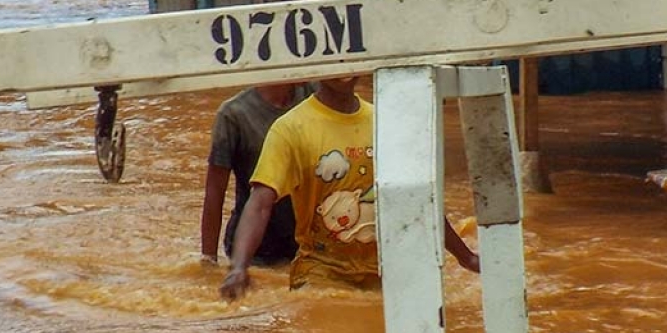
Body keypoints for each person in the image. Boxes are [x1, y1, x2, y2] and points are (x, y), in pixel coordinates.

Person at [219, 75, 478, 299]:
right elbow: (260, 203)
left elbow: (420, 199)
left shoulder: (384, 122)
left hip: (384, 272)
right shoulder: (290, 129)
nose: (344, 71)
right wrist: (239, 267)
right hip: (321, 273)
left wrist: (465, 257)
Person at [200, 83, 310, 266]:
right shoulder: (233, 114)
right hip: (255, 246)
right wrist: (209, 259)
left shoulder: (316, 96)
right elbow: (215, 190)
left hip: (307, 244)